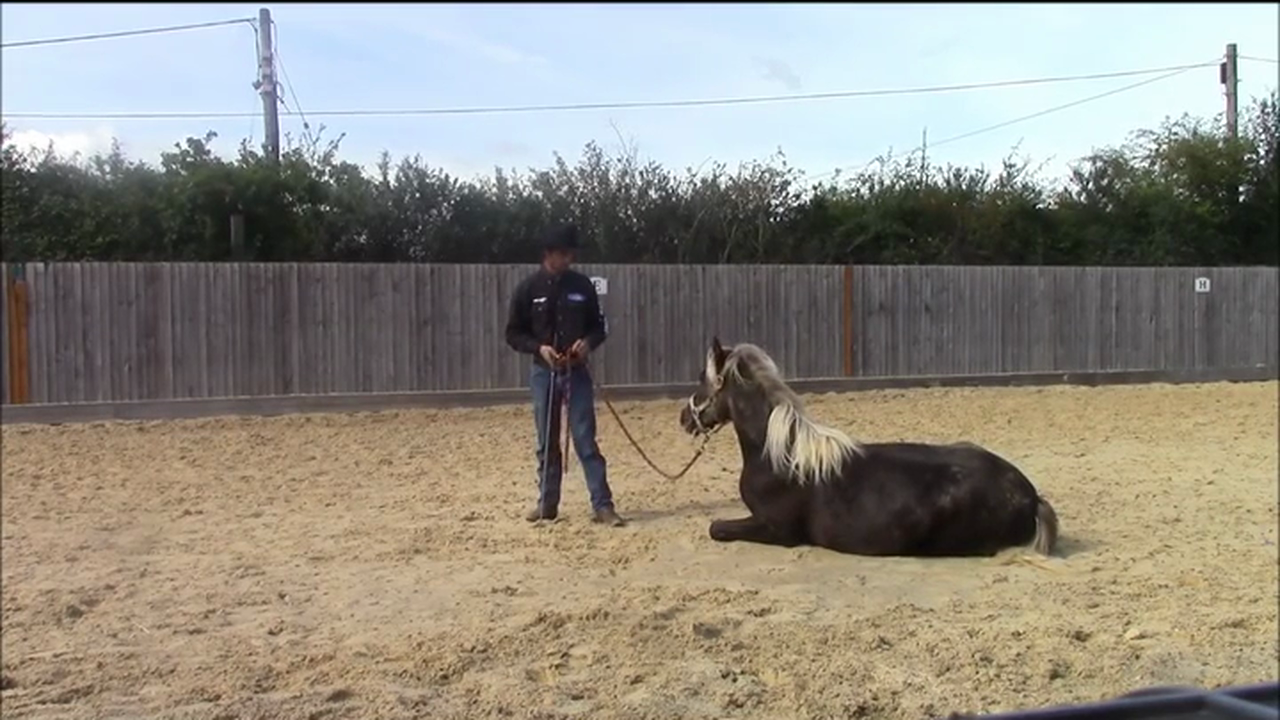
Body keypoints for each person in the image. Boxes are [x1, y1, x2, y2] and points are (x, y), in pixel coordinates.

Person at [504, 223, 626, 527]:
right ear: (548, 254)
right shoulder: (527, 290)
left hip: (577, 373)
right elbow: (513, 333)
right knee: (547, 442)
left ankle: (603, 505)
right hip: (543, 373)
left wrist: (587, 344)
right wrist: (539, 348)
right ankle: (547, 504)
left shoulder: (582, 286)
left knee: (585, 438)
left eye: (571, 253)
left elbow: (599, 327)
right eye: (564, 253)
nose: (569, 259)